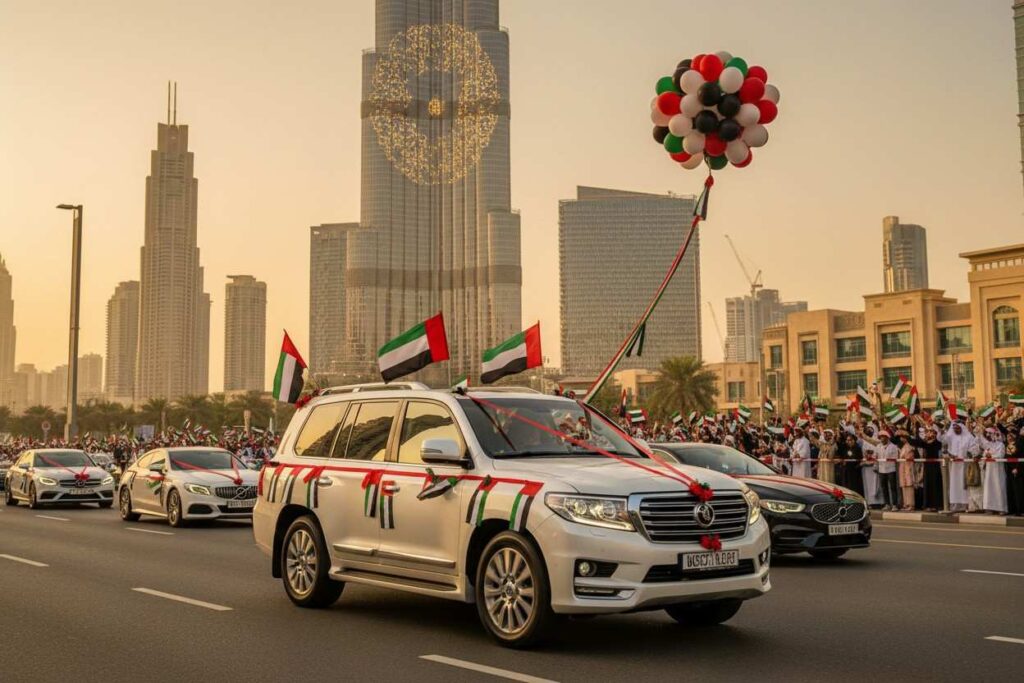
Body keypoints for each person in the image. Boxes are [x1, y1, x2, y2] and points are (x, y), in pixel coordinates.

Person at [941, 421, 978, 513]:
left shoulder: (968, 437)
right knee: (954, 485)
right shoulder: (951, 436)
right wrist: (942, 430)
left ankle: (966, 505)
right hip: (954, 466)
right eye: (954, 429)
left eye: (957, 428)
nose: (956, 430)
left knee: (964, 485)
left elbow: (974, 448)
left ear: (962, 427)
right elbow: (943, 441)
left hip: (965, 465)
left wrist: (969, 454)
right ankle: (955, 505)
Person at [978, 427, 1007, 515]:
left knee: (998, 487)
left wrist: (991, 456)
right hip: (989, 470)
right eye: (987, 434)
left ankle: (1001, 508)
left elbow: (1001, 455)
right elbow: (984, 455)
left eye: (990, 434)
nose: (988, 436)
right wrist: (986, 455)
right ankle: (989, 507)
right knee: (989, 488)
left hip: (998, 471)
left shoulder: (1001, 444)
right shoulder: (988, 445)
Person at [874, 430, 900, 511]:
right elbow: (876, 456)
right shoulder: (878, 446)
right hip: (882, 469)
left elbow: (895, 458)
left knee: (893, 487)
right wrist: (876, 466)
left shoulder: (893, 446)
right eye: (880, 437)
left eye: (883, 437)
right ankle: (887, 504)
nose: (882, 439)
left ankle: (895, 505)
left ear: (887, 438)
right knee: (884, 487)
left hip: (891, 469)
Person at [896, 430, 917, 511]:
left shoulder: (910, 446)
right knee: (904, 486)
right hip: (902, 467)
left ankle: (911, 504)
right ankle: (905, 504)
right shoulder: (903, 446)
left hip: (908, 467)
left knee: (909, 486)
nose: (901, 439)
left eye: (903, 437)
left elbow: (910, 457)